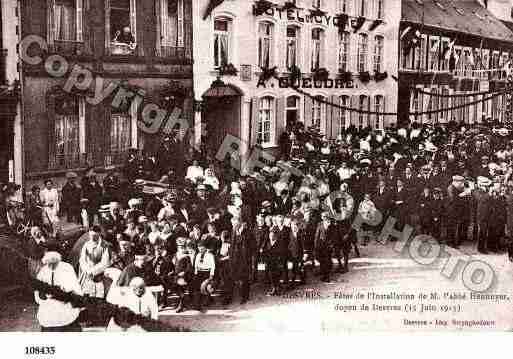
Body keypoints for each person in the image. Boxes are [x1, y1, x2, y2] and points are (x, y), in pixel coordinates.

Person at [34, 245, 82, 331]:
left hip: (64, 304)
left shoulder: (67, 268)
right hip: (49, 305)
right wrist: (41, 299)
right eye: (49, 264)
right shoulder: (44, 270)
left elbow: (74, 285)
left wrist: (65, 290)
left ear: (58, 261)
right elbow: (37, 288)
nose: (51, 267)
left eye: (53, 264)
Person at [225, 214, 252, 305]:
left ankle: (245, 297)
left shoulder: (247, 232)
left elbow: (249, 245)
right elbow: (232, 246)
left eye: (235, 224)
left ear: (239, 223)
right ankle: (230, 297)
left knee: (244, 279)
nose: (233, 226)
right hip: (234, 259)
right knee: (233, 278)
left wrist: (240, 234)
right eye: (232, 224)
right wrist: (230, 258)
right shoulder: (233, 231)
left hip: (243, 259)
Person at [78, 226, 111, 298]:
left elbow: (105, 263)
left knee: (100, 295)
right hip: (87, 273)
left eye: (94, 236)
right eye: (90, 236)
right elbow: (82, 259)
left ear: (99, 234)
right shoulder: (86, 244)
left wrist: (93, 272)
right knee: (86, 294)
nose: (92, 238)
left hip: (100, 274)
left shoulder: (105, 245)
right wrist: (87, 270)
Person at [193, 239, 215, 312]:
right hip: (199, 272)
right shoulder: (198, 255)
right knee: (196, 287)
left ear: (205, 248)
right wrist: (196, 274)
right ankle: (197, 305)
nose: (200, 249)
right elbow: (196, 265)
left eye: (202, 248)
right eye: (199, 248)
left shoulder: (210, 255)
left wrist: (211, 276)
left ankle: (207, 299)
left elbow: (212, 266)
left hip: (206, 273)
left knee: (205, 286)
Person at [171, 238, 193, 313]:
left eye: (183, 247)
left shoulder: (187, 256)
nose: (181, 248)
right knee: (170, 283)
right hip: (176, 274)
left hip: (184, 275)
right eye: (179, 247)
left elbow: (189, 268)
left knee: (179, 284)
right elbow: (173, 265)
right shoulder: (175, 255)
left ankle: (181, 303)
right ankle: (182, 298)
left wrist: (184, 272)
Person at [314, 211, 336, 283]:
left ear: (328, 217)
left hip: (328, 246)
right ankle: (324, 273)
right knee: (321, 260)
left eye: (325, 216)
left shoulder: (332, 225)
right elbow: (317, 235)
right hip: (320, 246)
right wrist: (316, 245)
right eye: (323, 216)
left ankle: (327, 276)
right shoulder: (319, 224)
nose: (324, 218)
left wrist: (331, 245)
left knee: (327, 260)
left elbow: (333, 236)